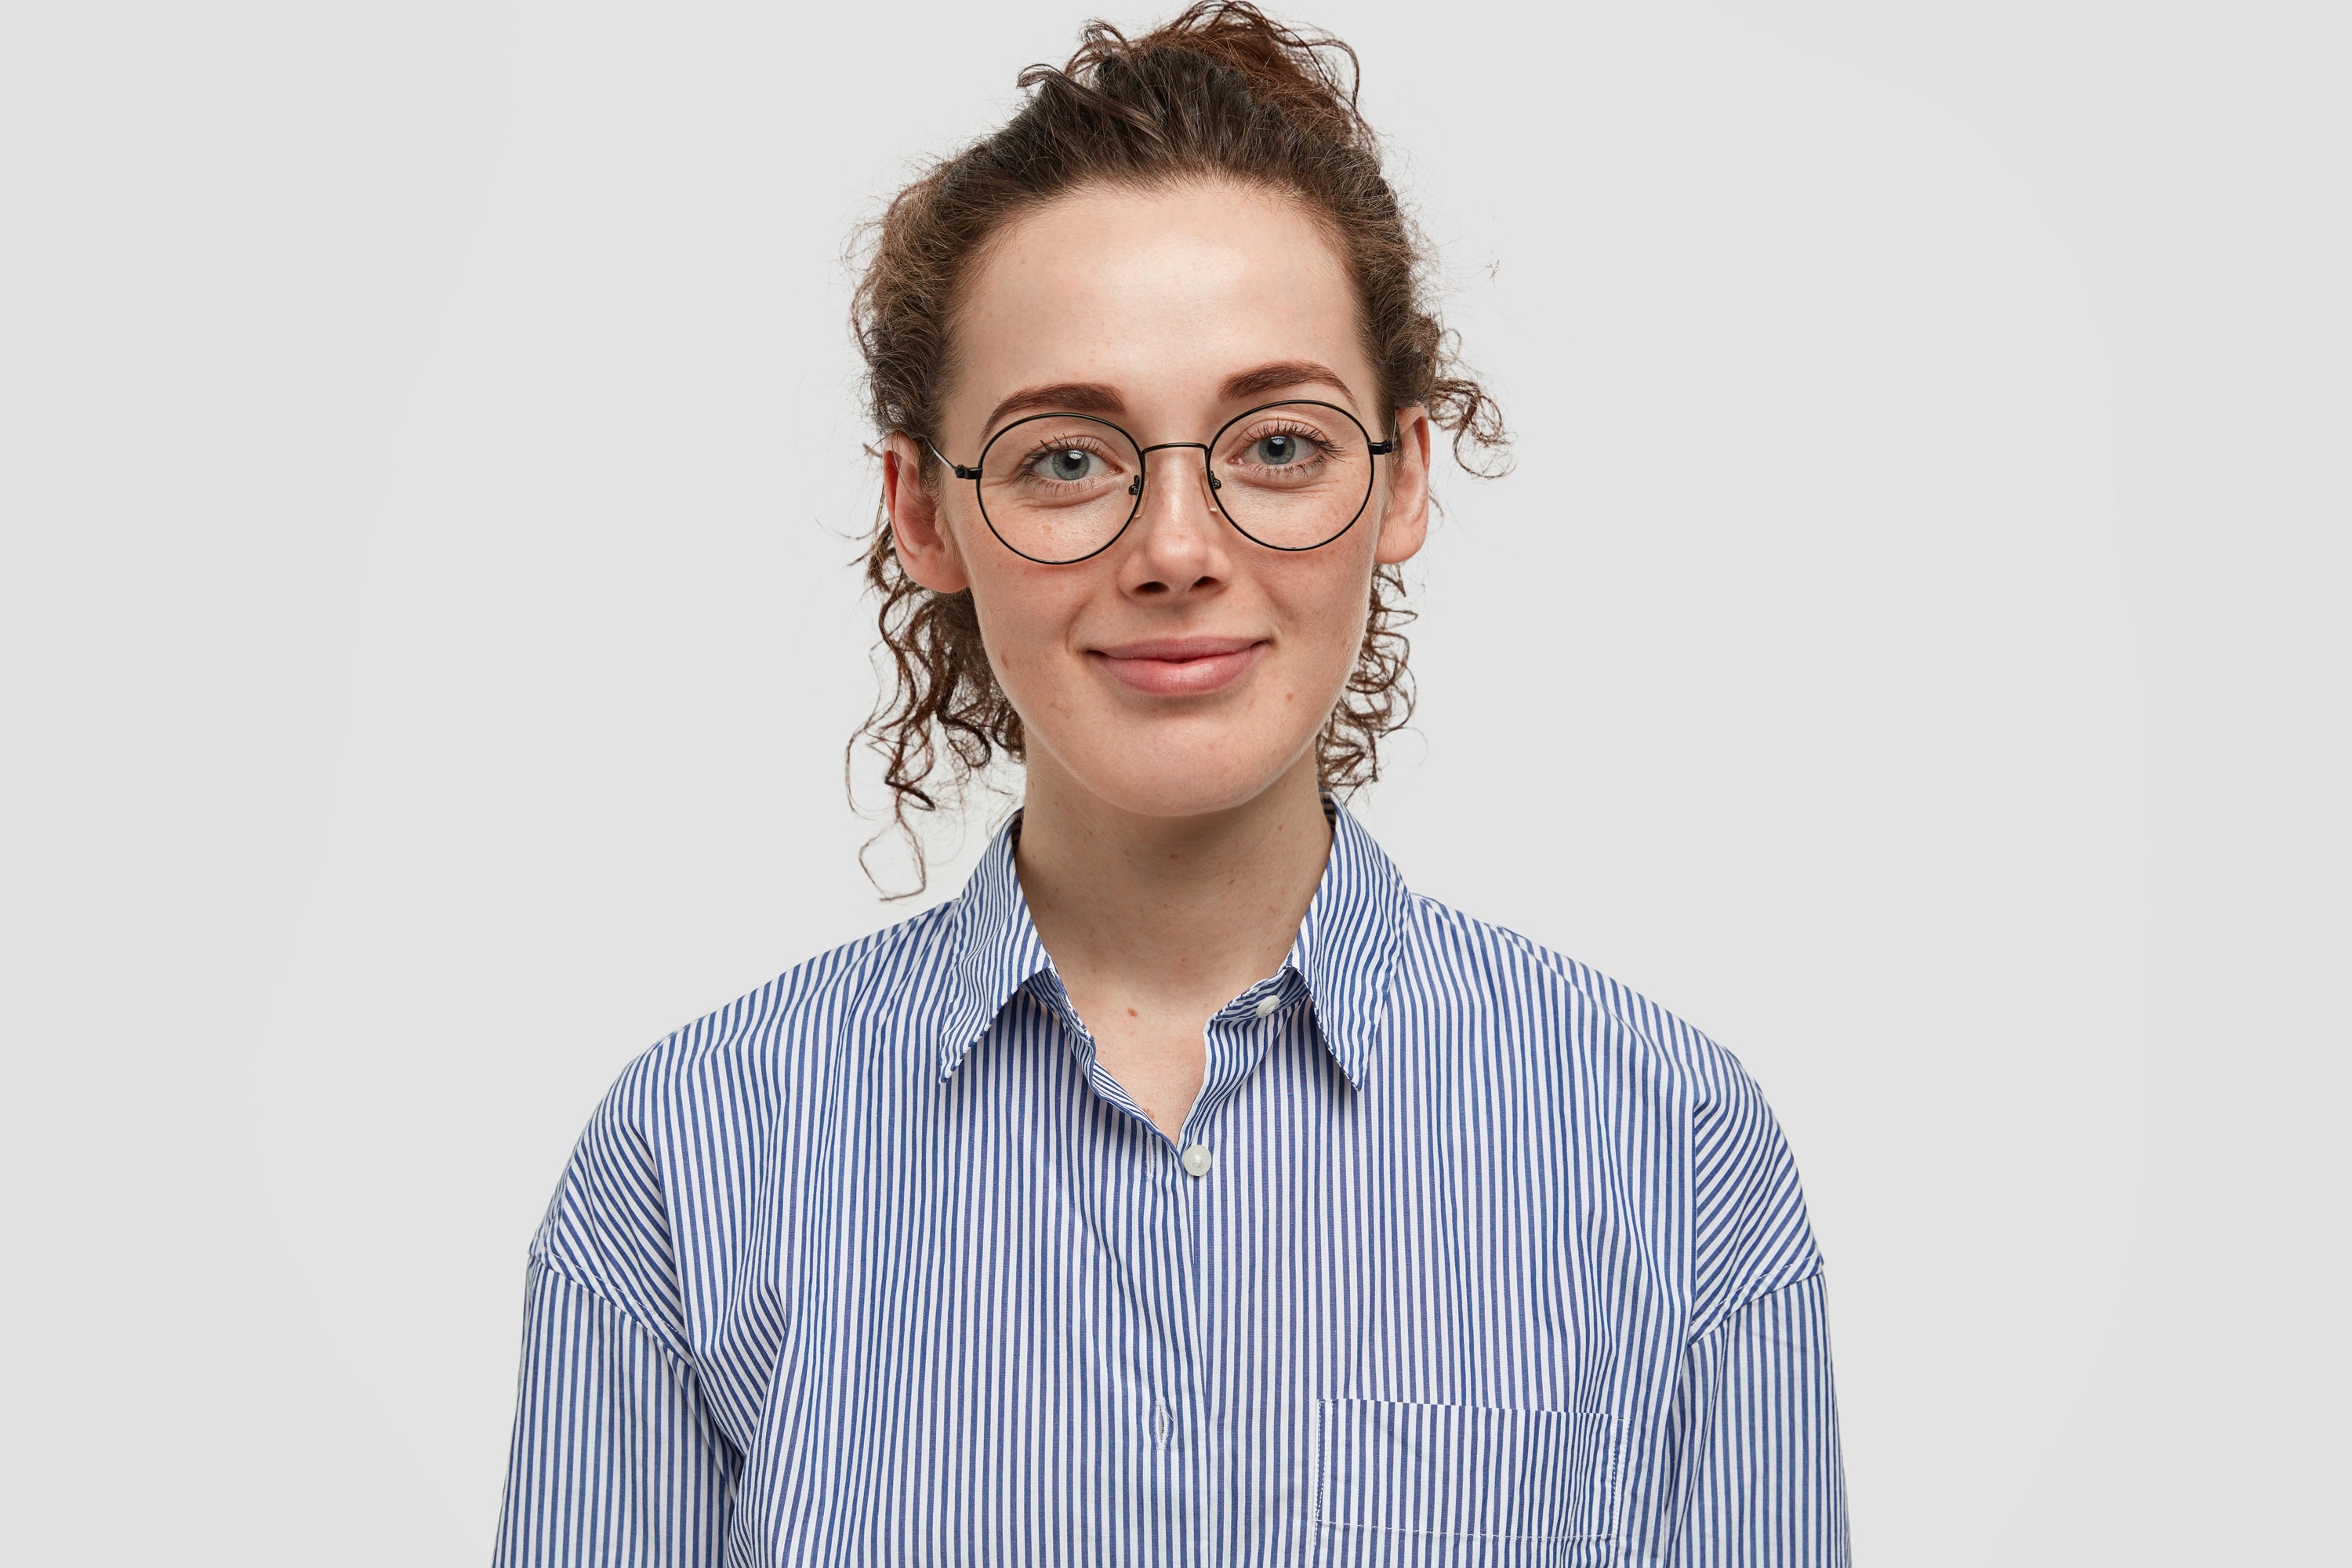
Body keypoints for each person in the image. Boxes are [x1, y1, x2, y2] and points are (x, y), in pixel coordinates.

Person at [492, 5, 1849, 1563]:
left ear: (1401, 479)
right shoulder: (688, 1162)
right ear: (924, 514)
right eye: (1066, 457)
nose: (1178, 550)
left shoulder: (1669, 1146)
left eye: (1275, 444)